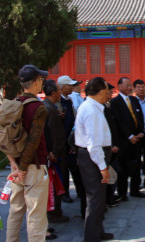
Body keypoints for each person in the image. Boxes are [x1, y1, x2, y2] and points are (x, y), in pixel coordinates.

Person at [6, 65, 49, 242]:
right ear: (37, 81)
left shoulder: (14, 103)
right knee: (36, 215)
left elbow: (3, 138)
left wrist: (14, 164)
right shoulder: (38, 107)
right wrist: (22, 168)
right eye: (41, 79)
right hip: (33, 167)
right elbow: (34, 141)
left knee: (15, 211)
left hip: (15, 167)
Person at [74, 77, 114, 242]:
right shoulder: (91, 110)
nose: (109, 93)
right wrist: (103, 168)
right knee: (95, 199)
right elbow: (94, 145)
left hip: (93, 157)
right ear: (101, 91)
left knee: (99, 198)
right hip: (92, 158)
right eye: (107, 90)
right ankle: (91, 237)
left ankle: (98, 231)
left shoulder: (94, 107)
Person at [110, 77, 145, 199]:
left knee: (137, 166)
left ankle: (135, 190)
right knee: (124, 168)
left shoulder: (133, 99)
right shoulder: (115, 102)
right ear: (119, 86)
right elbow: (119, 122)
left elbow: (139, 116)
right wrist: (129, 136)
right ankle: (122, 193)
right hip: (124, 141)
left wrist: (141, 132)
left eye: (130, 85)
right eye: (127, 85)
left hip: (137, 139)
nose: (129, 88)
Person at [43, 79, 70, 224]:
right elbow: (51, 134)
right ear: (53, 93)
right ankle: (54, 213)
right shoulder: (48, 109)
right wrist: (52, 152)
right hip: (55, 154)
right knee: (55, 184)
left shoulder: (50, 107)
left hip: (56, 152)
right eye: (59, 90)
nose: (60, 93)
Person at [56, 75, 81, 204]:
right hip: (61, 141)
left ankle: (80, 191)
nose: (72, 87)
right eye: (70, 85)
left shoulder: (69, 100)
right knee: (64, 169)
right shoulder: (57, 101)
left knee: (75, 167)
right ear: (63, 87)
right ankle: (64, 193)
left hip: (71, 139)